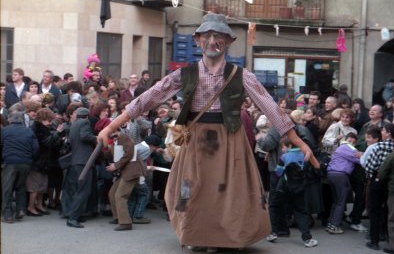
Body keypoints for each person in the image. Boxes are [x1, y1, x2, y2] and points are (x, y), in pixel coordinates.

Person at [97, 13, 318, 251]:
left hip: (230, 139)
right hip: (197, 140)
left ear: (229, 42)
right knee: (190, 190)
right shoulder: (185, 73)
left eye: (219, 36)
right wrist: (111, 126)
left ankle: (227, 238)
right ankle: (196, 235)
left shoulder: (242, 75)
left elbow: (271, 108)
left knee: (229, 190)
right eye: (207, 36)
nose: (212, 41)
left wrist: (299, 142)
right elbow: (147, 98)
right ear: (197, 41)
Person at [269, 137, 318, 247]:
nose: (282, 149)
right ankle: (307, 239)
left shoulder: (284, 157)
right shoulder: (303, 155)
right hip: (299, 188)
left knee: (274, 206)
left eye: (283, 147)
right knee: (301, 212)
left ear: (290, 146)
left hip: (284, 187)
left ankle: (273, 233)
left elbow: (278, 173)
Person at [364, 123, 394, 251]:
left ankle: (375, 240)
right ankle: (387, 237)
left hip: (377, 180)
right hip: (392, 181)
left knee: (375, 210)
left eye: (383, 130)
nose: (381, 132)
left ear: (389, 133)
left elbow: (369, 166)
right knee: (388, 210)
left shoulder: (378, 146)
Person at [1, 111, 39, 223]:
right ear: (22, 120)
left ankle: (7, 214)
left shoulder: (5, 131)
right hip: (26, 162)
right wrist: (30, 159)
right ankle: (20, 210)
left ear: (10, 120)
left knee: (7, 188)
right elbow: (36, 149)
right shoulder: (29, 131)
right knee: (21, 186)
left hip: (10, 162)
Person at [106, 131, 145, 231]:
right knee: (112, 193)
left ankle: (125, 222)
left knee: (120, 196)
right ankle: (118, 217)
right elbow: (109, 155)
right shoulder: (115, 142)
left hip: (131, 171)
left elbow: (129, 154)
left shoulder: (124, 138)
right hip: (125, 172)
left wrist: (116, 165)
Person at [65, 107, 97, 228]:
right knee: (84, 190)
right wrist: (97, 138)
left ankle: (75, 215)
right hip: (84, 162)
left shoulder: (74, 124)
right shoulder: (85, 122)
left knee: (78, 190)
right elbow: (85, 136)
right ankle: (73, 218)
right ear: (87, 116)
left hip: (76, 161)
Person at [325, 133, 361, 234]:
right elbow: (361, 159)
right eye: (350, 141)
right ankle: (334, 226)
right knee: (341, 202)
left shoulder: (339, 148)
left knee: (336, 201)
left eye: (354, 142)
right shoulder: (349, 147)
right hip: (341, 175)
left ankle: (330, 224)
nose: (352, 143)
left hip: (331, 174)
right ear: (346, 140)